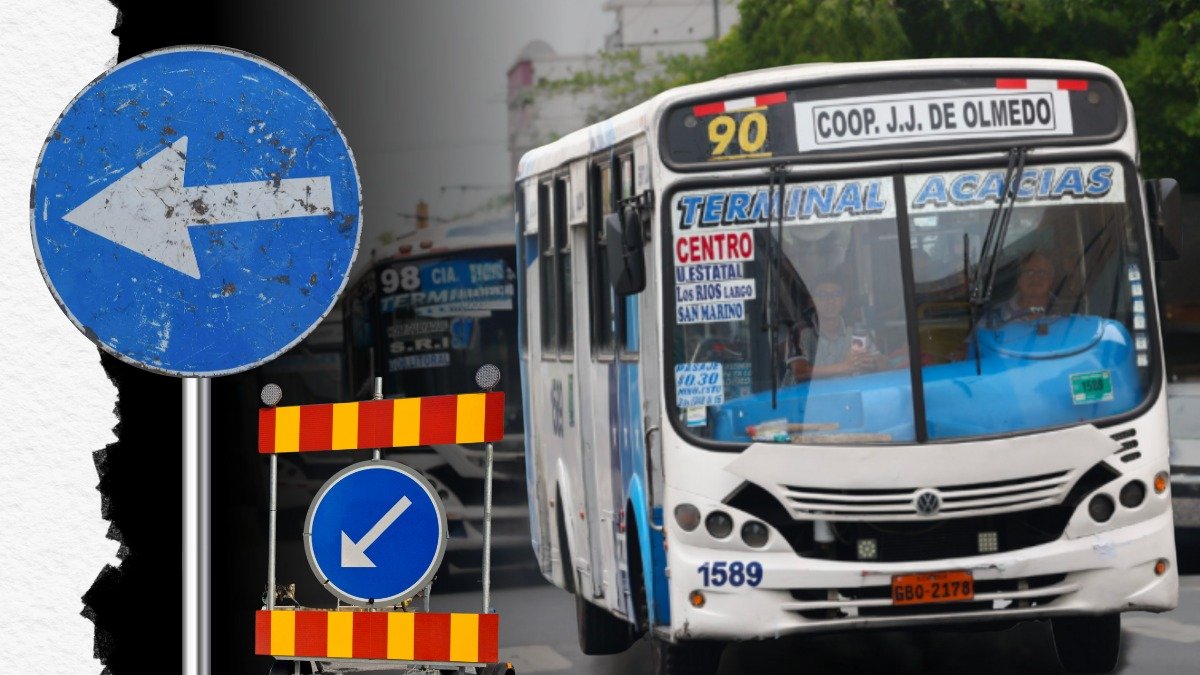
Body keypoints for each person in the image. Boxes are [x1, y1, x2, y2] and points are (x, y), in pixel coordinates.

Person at [784, 277, 887, 382]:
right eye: (823, 295)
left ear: (843, 300)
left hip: (845, 395)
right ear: (812, 301)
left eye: (836, 295)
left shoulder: (856, 330)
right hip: (808, 397)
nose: (830, 301)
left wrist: (872, 363)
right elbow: (799, 371)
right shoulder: (800, 331)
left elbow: (884, 365)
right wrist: (843, 367)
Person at [985, 250, 1059, 327]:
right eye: (1029, 272)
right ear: (1019, 280)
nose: (1035, 278)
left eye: (1042, 273)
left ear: (1051, 280)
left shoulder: (1066, 310)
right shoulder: (995, 316)